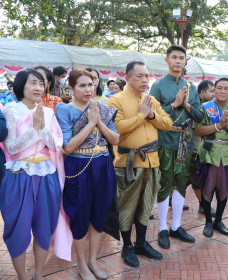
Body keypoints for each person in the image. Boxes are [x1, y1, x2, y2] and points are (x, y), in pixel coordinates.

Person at [0, 69, 71, 280]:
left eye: (41, 84)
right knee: (18, 228)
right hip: (18, 176)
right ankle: (22, 276)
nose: (39, 88)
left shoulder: (48, 112)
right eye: (33, 83)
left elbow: (56, 144)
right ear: (21, 85)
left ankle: (38, 275)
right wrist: (35, 130)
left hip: (46, 174)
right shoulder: (11, 109)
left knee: (44, 226)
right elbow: (11, 148)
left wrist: (42, 129)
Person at [108, 61, 173, 267]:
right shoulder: (116, 100)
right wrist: (141, 116)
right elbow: (118, 128)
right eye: (140, 76)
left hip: (151, 161)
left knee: (146, 205)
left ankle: (141, 243)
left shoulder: (151, 99)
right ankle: (127, 245)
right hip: (127, 162)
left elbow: (168, 123)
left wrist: (152, 114)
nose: (145, 80)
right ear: (127, 78)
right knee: (127, 205)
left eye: (147, 76)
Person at [56, 68, 119, 280]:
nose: (88, 89)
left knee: (99, 214)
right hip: (78, 167)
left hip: (102, 165)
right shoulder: (64, 110)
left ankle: (93, 260)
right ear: (71, 88)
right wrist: (91, 123)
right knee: (80, 215)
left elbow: (115, 140)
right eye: (82, 85)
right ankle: (82, 264)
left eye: (91, 84)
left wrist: (99, 121)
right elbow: (68, 147)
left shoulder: (102, 108)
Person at [149, 45, 203, 250]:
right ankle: (163, 227)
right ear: (167, 60)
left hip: (186, 141)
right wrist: (175, 103)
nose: (178, 61)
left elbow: (199, 117)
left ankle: (176, 226)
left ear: (185, 61)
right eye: (174, 57)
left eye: (182, 58)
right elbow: (152, 115)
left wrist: (188, 105)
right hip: (165, 140)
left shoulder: (191, 86)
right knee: (165, 182)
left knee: (182, 182)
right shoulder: (158, 85)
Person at [193, 78, 228, 237]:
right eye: (219, 88)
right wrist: (218, 126)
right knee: (207, 187)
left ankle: (218, 220)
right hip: (208, 153)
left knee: (224, 189)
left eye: (226, 88)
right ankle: (208, 223)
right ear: (214, 90)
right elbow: (197, 131)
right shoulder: (205, 108)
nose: (223, 91)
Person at [189, 80, 216, 216]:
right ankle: (203, 205)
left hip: (203, 149)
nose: (214, 94)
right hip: (194, 149)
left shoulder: (210, 107)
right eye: (212, 91)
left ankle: (170, 199)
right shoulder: (197, 108)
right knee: (197, 179)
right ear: (202, 93)